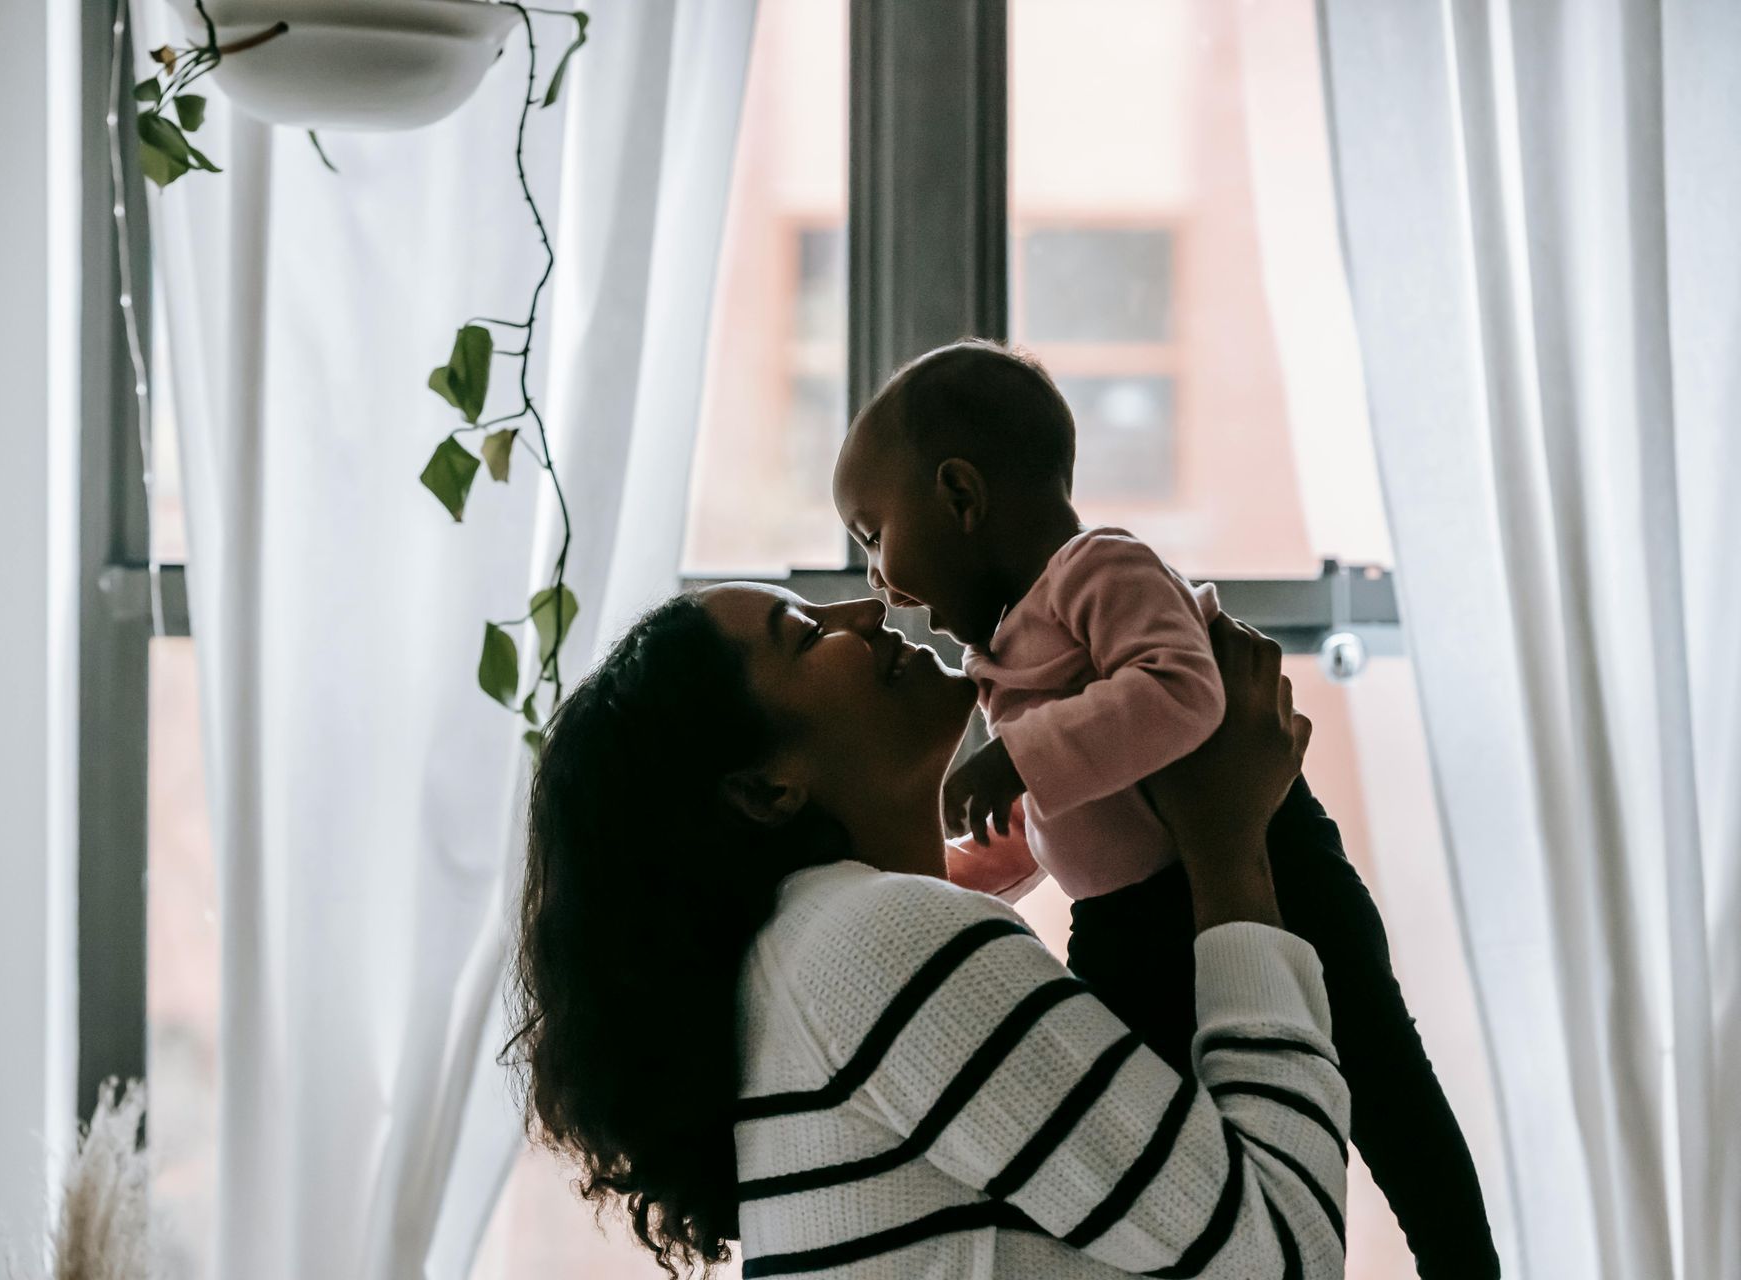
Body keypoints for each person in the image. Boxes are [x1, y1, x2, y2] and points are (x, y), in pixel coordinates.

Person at [831, 338, 1498, 1278]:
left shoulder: (1096, 570)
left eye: (871, 534)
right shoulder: (1014, 649)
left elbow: (1185, 696)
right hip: (1132, 925)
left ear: (960, 496)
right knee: (1146, 1151)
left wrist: (1017, 755)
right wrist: (972, 869)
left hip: (1278, 873)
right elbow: (1084, 803)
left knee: (1389, 1096)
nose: (876, 580)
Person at [509, 584, 1348, 1278]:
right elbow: (1282, 1255)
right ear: (767, 791)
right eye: (806, 635)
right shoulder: (880, 942)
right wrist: (1229, 843)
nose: (866, 612)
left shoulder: (800, 961)